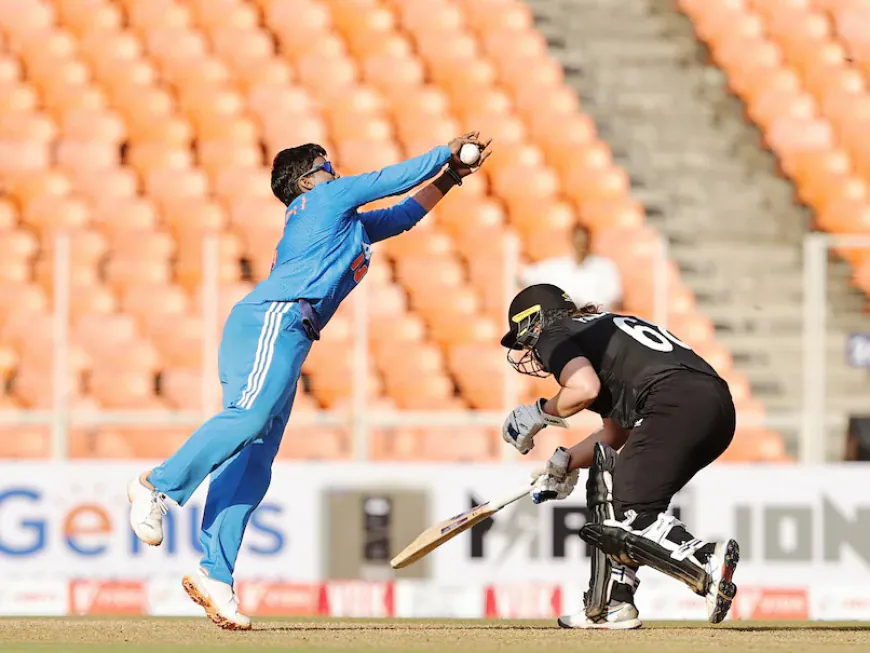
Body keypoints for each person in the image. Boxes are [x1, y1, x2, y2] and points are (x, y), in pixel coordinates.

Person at [126, 133, 492, 630]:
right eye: (327, 166)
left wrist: (449, 177)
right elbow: (388, 180)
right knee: (249, 418)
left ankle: (215, 574)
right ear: (305, 180)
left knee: (254, 461)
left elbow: (404, 214)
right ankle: (155, 485)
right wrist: (442, 153)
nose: (335, 173)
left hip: (293, 334)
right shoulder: (320, 199)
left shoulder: (344, 223)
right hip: (271, 320)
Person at [499, 283, 739, 630]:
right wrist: (563, 462)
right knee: (616, 499)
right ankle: (610, 604)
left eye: (523, 338)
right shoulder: (599, 328)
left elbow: (583, 389)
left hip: (674, 403)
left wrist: (538, 413)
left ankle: (704, 561)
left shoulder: (556, 332)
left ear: (535, 320)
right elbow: (614, 433)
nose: (527, 350)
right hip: (712, 407)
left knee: (627, 512)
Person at [520, 223, 622, 310]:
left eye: (583, 241)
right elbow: (524, 277)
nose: (581, 245)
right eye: (578, 241)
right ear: (571, 240)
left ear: (590, 241)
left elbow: (615, 300)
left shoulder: (604, 267)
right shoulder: (556, 266)